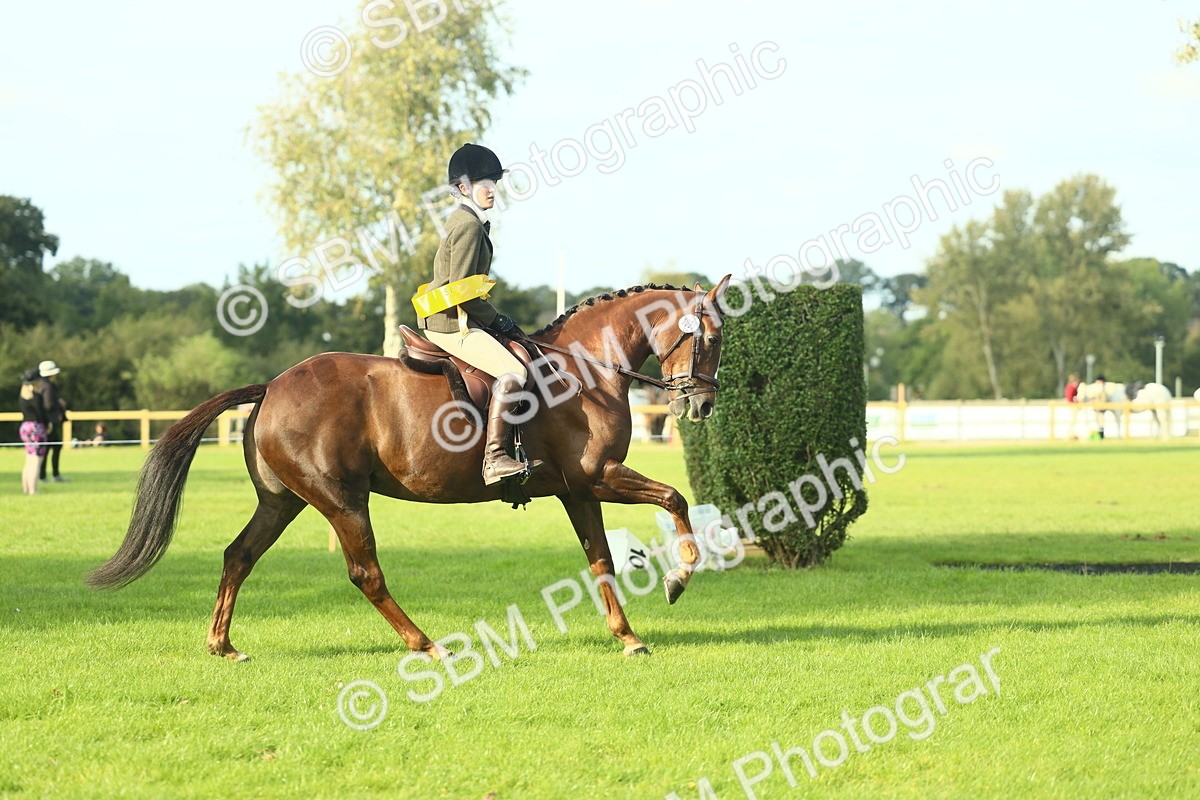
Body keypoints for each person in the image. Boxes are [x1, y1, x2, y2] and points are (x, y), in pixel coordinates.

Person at [414, 143, 540, 485]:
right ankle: (495, 458)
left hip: (455, 316)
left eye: (494, 183)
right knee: (513, 371)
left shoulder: (469, 221)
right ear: (462, 188)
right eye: (485, 183)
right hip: (452, 322)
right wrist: (497, 319)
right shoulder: (468, 224)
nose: (492, 190)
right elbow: (460, 290)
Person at [35, 360, 68, 482]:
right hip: (50, 422)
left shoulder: (40, 385)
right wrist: (58, 405)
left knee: (48, 448)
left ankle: (45, 475)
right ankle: (50, 475)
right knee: (52, 448)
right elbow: (48, 405)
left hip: (46, 421)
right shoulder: (48, 386)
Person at [18, 368, 48, 494]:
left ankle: (26, 488)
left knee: (29, 459)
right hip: (36, 428)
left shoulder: (22, 396)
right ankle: (33, 489)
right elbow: (41, 414)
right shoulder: (36, 396)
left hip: (25, 427)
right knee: (36, 460)